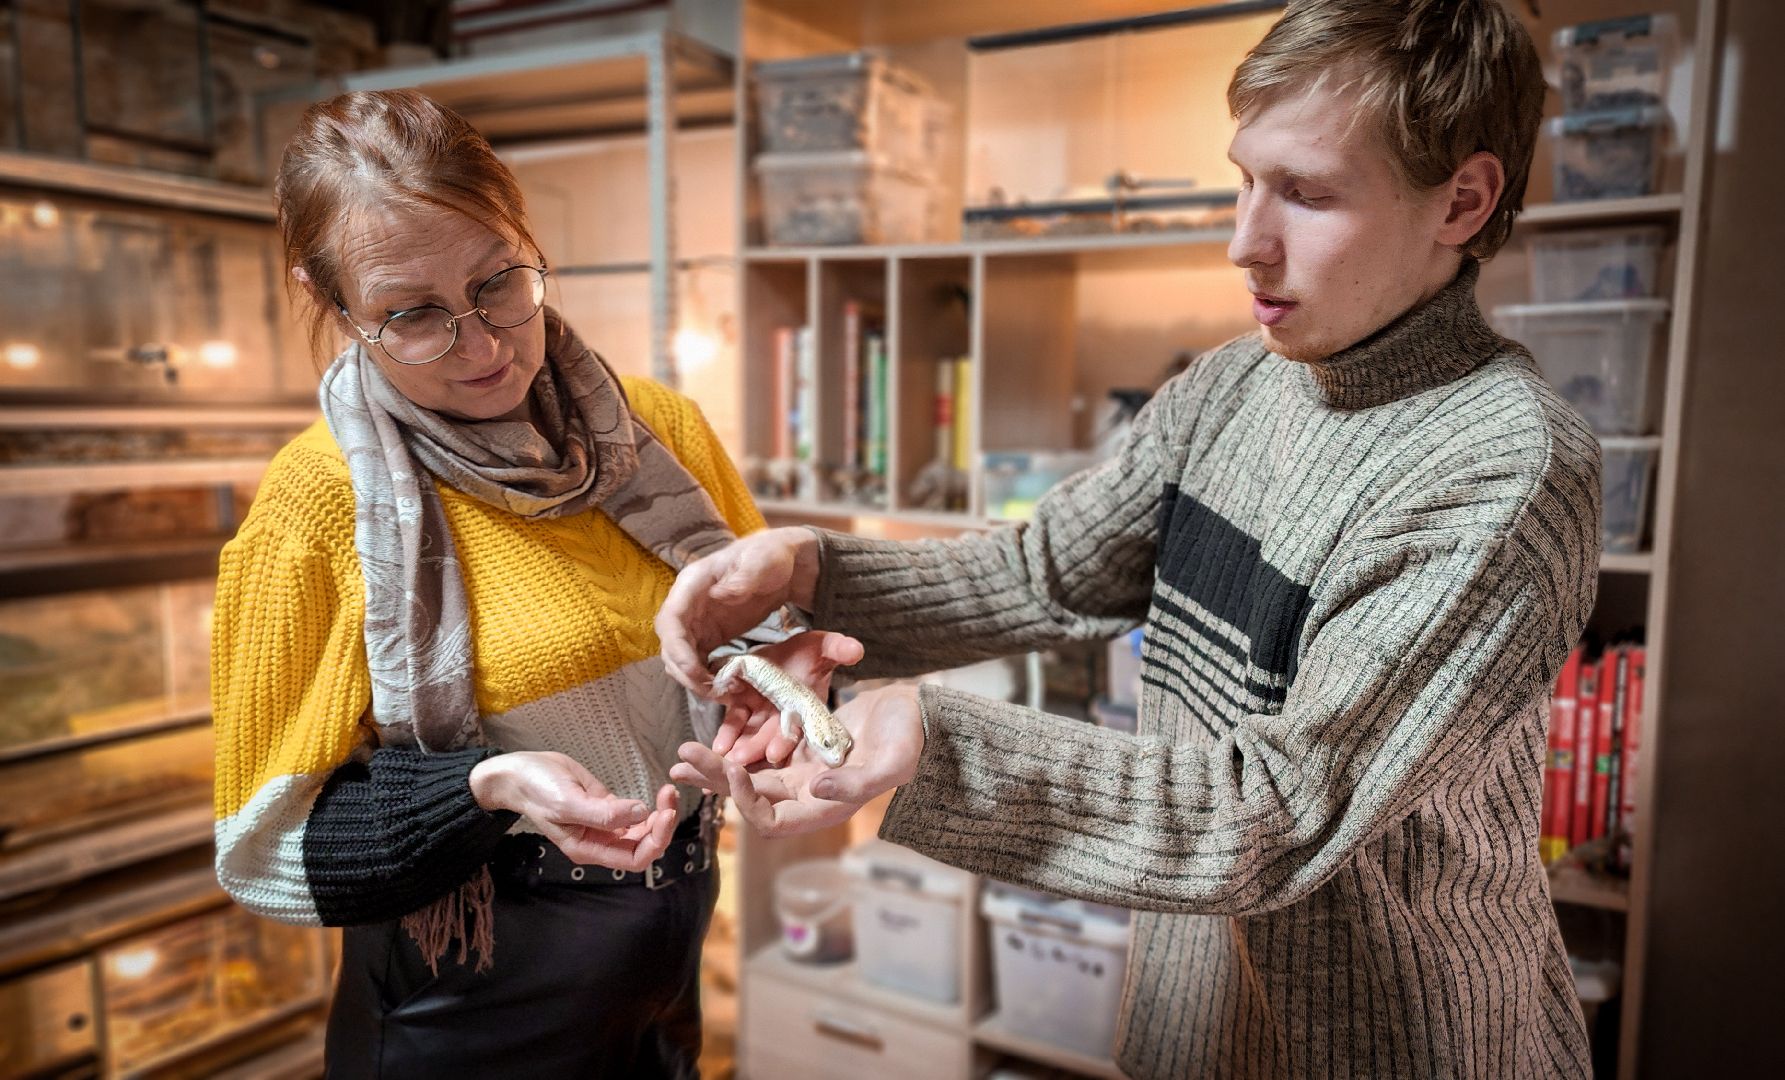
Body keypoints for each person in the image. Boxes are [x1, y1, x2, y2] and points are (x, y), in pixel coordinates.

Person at [659, 2, 1600, 1078]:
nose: (1245, 240)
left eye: (1306, 192)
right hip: (1192, 1028)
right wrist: (808, 571)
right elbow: (1044, 570)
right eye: (1246, 178)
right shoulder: (1240, 382)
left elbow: (1278, 810)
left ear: (1463, 200)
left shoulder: (1505, 469)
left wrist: (932, 736)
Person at [209, 89, 856, 1079]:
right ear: (334, 303)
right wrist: (484, 789)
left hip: (659, 985)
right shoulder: (318, 507)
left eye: (499, 282)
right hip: (457, 1018)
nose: (484, 345)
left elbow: (772, 646)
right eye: (413, 315)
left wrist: (789, 691)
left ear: (526, 239)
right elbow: (267, 848)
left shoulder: (660, 434)